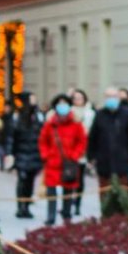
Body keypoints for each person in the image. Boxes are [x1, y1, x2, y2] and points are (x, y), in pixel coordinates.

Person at [38, 94, 87, 224]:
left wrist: (75, 155)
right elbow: (43, 141)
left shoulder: (76, 124)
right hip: (52, 162)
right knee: (51, 191)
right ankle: (51, 216)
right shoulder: (50, 124)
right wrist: (46, 155)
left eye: (65, 103)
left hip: (69, 162)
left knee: (68, 190)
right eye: (59, 104)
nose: (62, 106)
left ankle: (67, 214)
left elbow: (82, 141)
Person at [87, 88, 128, 209]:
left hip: (122, 162)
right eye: (108, 96)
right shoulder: (99, 115)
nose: (111, 99)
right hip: (104, 163)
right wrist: (91, 157)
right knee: (105, 193)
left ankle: (123, 217)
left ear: (118, 98)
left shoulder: (127, 114)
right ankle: (106, 217)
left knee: (123, 194)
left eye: (114, 96)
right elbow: (92, 138)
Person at [7, 91, 44, 218]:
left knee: (30, 182)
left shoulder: (38, 116)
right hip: (21, 153)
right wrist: (10, 154)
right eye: (32, 99)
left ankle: (27, 206)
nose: (34, 101)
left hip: (35, 153)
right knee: (22, 181)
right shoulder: (17, 117)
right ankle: (20, 207)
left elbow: (42, 135)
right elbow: (11, 137)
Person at [67, 88, 94, 216]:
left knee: (80, 179)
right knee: (68, 178)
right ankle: (67, 203)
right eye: (75, 98)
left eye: (80, 98)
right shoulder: (68, 112)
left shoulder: (90, 113)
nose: (78, 100)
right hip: (68, 151)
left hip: (83, 151)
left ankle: (77, 204)